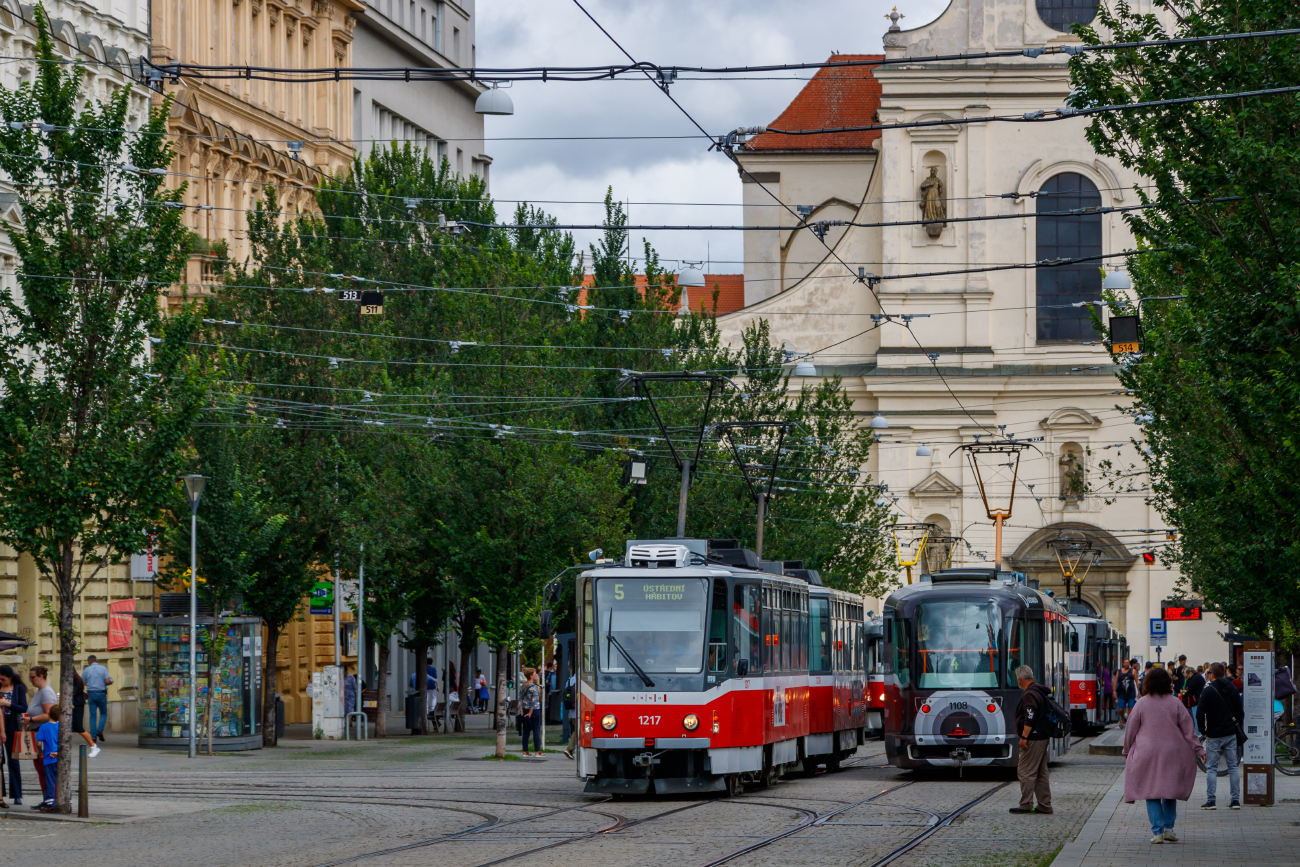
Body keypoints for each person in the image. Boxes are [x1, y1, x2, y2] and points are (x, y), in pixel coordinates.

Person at [1122, 665, 1204, 844]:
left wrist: (1127, 749)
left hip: (1146, 752)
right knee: (1169, 790)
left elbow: (1130, 729)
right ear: (1168, 683)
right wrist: (1199, 749)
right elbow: (1189, 729)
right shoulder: (1175, 703)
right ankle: (1169, 829)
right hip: (1172, 752)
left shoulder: (1141, 703)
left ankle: (1157, 832)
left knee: (1150, 792)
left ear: (1147, 683)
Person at [1196, 662, 1242, 810]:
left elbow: (1199, 713)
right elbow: (1240, 712)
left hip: (1214, 733)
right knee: (1233, 767)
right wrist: (1236, 726)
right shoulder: (1233, 689)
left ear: (1212, 675)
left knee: (1211, 768)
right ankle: (1235, 800)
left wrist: (1203, 731)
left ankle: (1211, 801)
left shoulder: (1208, 691)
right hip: (1230, 733)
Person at [1009, 664, 1053, 814]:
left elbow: (1030, 716)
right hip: (1042, 736)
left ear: (1019, 679)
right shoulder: (1039, 691)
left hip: (1033, 737)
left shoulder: (1029, 694)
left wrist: (1024, 737)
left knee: (1025, 771)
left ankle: (1026, 804)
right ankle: (1044, 805)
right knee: (1041, 772)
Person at [24, 666, 56, 803]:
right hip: (37, 732)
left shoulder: (46, 692)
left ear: (41, 676)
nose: (30, 680)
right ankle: (47, 798)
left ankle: (50, 798)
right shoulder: (40, 691)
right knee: (40, 768)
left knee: (44, 768)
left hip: (42, 734)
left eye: (32, 677)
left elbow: (50, 714)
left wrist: (31, 720)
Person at [0, 664, 27, 805]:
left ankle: (17, 794)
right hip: (0, 726)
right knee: (0, 762)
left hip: (12, 726)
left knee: (13, 762)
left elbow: (23, 707)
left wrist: (7, 703)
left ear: (10, 678)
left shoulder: (18, 688)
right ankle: (0, 795)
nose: (1, 682)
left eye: (3, 679)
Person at [35, 705, 60, 812]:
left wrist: (40, 751)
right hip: (60, 757)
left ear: (48, 713)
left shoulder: (44, 727)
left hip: (48, 758)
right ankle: (68, 799)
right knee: (61, 779)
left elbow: (39, 743)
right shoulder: (61, 726)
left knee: (50, 781)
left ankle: (51, 802)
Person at [81, 655, 112, 743]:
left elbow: (82, 683)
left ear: (89, 662)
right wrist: (110, 681)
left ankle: (93, 737)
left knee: (92, 716)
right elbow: (107, 681)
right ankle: (100, 730)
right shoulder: (103, 668)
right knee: (103, 713)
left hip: (91, 694)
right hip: (101, 693)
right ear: (96, 661)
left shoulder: (86, 670)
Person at [70, 672, 99, 758]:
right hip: (75, 705)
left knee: (79, 728)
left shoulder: (77, 681)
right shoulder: (76, 680)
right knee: (70, 727)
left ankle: (93, 746)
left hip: (77, 706)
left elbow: (73, 692)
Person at [519, 667, 542, 756]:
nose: (536, 675)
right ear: (531, 676)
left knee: (526, 731)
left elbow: (520, 698)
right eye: (535, 673)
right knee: (536, 730)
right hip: (534, 710)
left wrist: (521, 710)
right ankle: (537, 751)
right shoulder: (534, 687)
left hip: (524, 709)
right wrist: (531, 712)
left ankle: (525, 750)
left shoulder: (523, 686)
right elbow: (534, 701)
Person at [1182, 665, 1206, 734]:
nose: (1187, 676)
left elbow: (1191, 689)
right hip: (1199, 699)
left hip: (1195, 700)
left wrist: (1185, 695)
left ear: (1190, 673)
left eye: (1187, 674)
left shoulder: (1194, 679)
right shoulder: (1198, 677)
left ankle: (1198, 733)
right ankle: (1199, 732)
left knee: (1196, 717)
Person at [1116, 659, 1138, 728]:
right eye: (1125, 662)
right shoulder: (1119, 672)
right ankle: (1122, 718)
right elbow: (1116, 682)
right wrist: (1114, 691)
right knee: (1121, 709)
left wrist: (1139, 692)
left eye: (1127, 663)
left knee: (1130, 709)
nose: (1126, 664)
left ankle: (1129, 722)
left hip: (1131, 692)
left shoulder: (1133, 671)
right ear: (1123, 663)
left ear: (1129, 664)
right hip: (1121, 693)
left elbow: (1137, 682)